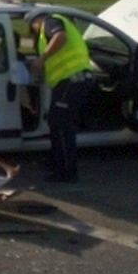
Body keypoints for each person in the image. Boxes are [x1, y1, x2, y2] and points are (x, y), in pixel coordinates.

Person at [25, 9, 94, 183]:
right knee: (57, 122)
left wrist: (42, 59)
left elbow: (60, 37)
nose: (32, 31)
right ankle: (57, 162)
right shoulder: (45, 32)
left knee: (61, 123)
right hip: (68, 81)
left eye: (32, 27)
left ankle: (67, 172)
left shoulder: (50, 22)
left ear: (36, 21)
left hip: (72, 80)